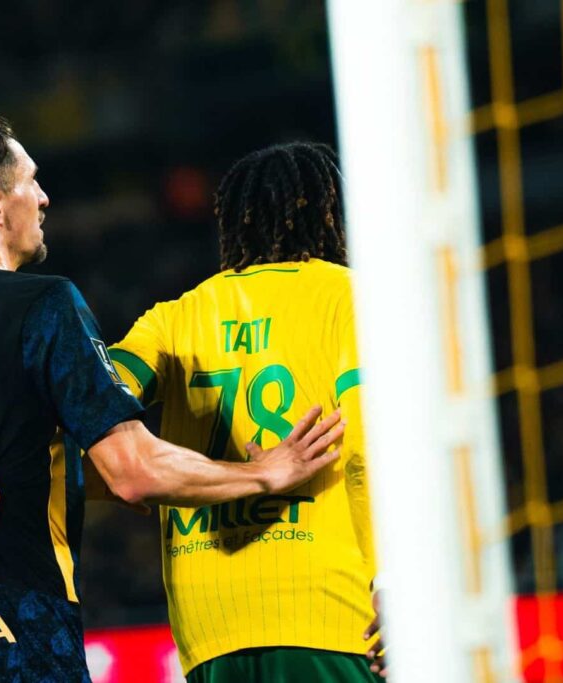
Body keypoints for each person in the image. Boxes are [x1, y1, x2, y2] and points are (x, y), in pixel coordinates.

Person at [0, 109, 345, 682]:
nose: (43, 198)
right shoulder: (40, 307)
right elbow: (134, 471)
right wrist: (264, 473)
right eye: (31, 181)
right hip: (16, 644)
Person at [109, 142, 383, 682]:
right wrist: (390, 579)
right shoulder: (347, 298)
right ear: (330, 215)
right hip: (330, 614)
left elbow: (88, 401)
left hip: (209, 625)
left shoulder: (172, 318)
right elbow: (363, 452)